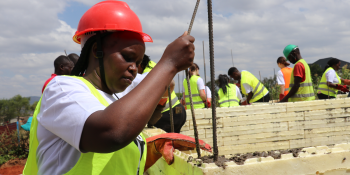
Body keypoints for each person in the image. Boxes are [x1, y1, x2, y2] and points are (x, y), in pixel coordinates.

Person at [23, 1, 204, 174]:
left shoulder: (115, 98)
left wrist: (154, 146)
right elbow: (112, 134)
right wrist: (169, 64)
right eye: (127, 57)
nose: (133, 68)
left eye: (138, 62)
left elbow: (166, 84)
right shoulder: (63, 89)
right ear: (96, 51)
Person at [119, 54, 186, 133]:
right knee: (174, 142)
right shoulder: (154, 66)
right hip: (179, 111)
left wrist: (158, 108)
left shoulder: (147, 74)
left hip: (166, 114)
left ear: (140, 65)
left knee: (163, 143)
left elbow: (170, 83)